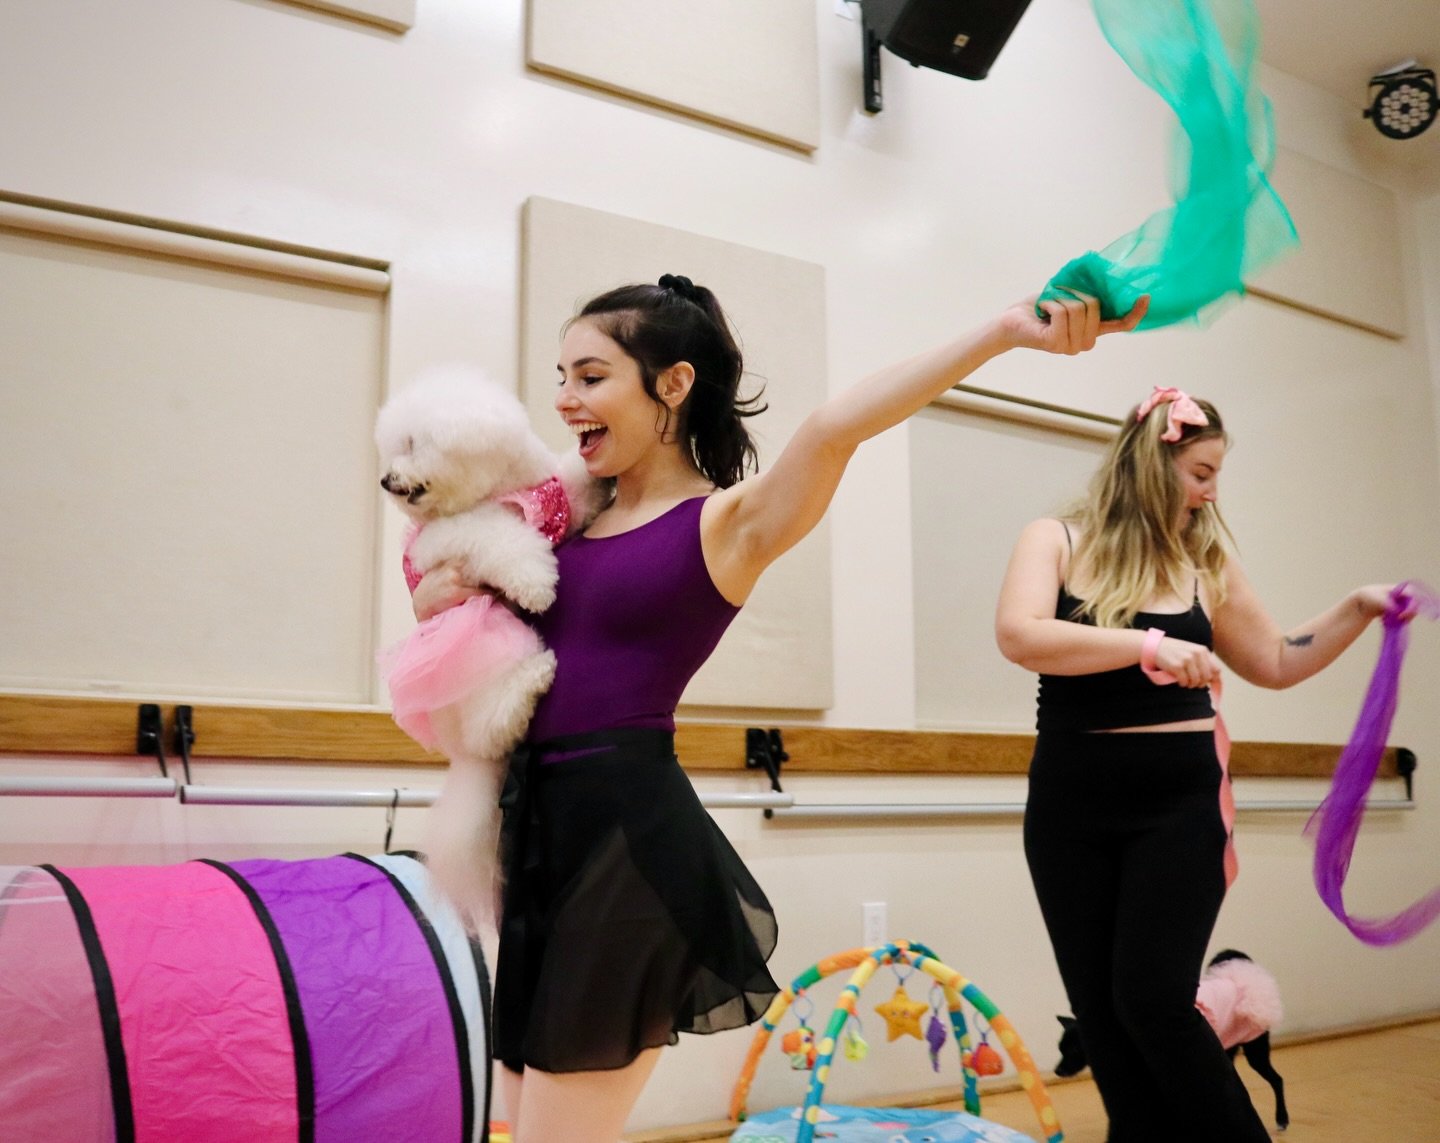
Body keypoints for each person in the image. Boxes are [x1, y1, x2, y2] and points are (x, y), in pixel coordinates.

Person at [413, 276, 1145, 1143]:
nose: (565, 399)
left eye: (591, 376)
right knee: (515, 1125)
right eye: (562, 377)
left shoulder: (727, 522)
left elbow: (837, 428)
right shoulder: (561, 520)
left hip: (624, 846)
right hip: (538, 834)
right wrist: (440, 594)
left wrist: (1003, 331)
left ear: (673, 384)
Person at [994, 386, 1408, 1143]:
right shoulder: (1054, 539)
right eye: (1201, 472)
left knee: (1151, 1000)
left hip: (1179, 808)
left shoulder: (1204, 563)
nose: (1212, 492)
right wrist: (1148, 645)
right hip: (1069, 807)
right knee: (1102, 1014)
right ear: (1152, 465)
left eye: (1216, 475)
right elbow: (1021, 635)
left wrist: (1357, 606)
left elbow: (1275, 660)